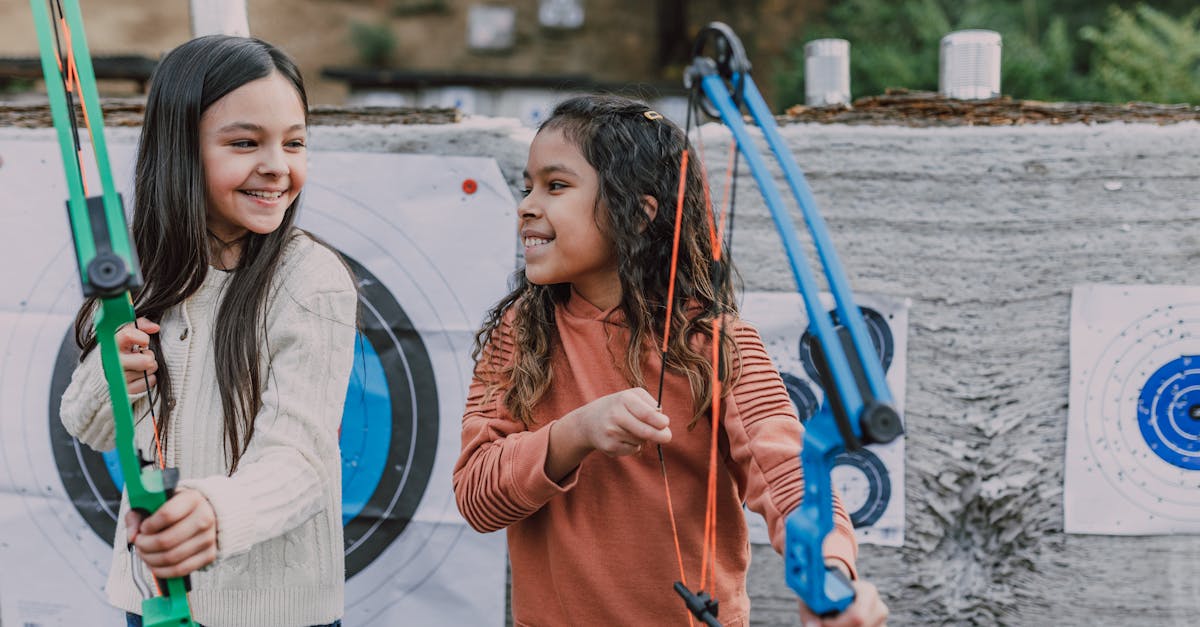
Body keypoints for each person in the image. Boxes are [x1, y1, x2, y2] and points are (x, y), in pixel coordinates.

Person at [453, 94, 888, 627]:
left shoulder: (715, 344)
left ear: (637, 214)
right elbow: (476, 497)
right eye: (528, 186)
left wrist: (831, 575)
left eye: (556, 185)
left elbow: (788, 476)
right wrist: (575, 434)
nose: (526, 204)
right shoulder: (518, 336)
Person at [59, 35, 356, 627]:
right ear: (180, 150)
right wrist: (113, 375)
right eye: (245, 142)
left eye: (294, 142)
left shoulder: (312, 278)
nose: (277, 165)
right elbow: (88, 425)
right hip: (153, 599)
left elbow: (301, 457)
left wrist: (212, 513)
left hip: (280, 612)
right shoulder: (140, 270)